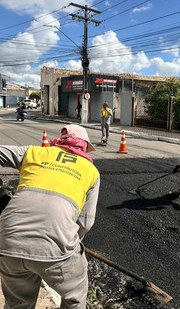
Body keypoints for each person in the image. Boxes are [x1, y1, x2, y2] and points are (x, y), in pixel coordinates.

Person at [0, 124, 100, 309]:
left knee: (18, 303)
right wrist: (71, 244)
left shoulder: (33, 152)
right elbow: (86, 222)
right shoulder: (91, 171)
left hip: (8, 242)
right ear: (84, 146)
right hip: (56, 250)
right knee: (74, 298)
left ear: (60, 141)